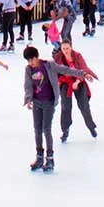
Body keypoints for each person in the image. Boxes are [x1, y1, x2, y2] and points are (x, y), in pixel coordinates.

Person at [20, 45, 85, 174]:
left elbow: (65, 70)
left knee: (46, 129)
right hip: (37, 103)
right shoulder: (28, 70)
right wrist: (28, 99)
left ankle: (50, 158)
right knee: (37, 129)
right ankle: (39, 157)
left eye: (31, 60)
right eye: (28, 61)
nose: (30, 63)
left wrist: (81, 73)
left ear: (36, 57)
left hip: (48, 102)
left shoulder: (49, 65)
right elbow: (28, 85)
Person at [52, 39, 99, 142]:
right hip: (65, 83)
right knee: (65, 107)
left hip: (79, 81)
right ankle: (65, 131)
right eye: (63, 49)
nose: (65, 51)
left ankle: (91, 127)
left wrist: (78, 81)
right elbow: (55, 72)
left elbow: (84, 68)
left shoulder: (77, 56)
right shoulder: (58, 57)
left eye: (67, 48)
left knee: (84, 106)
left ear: (71, 47)